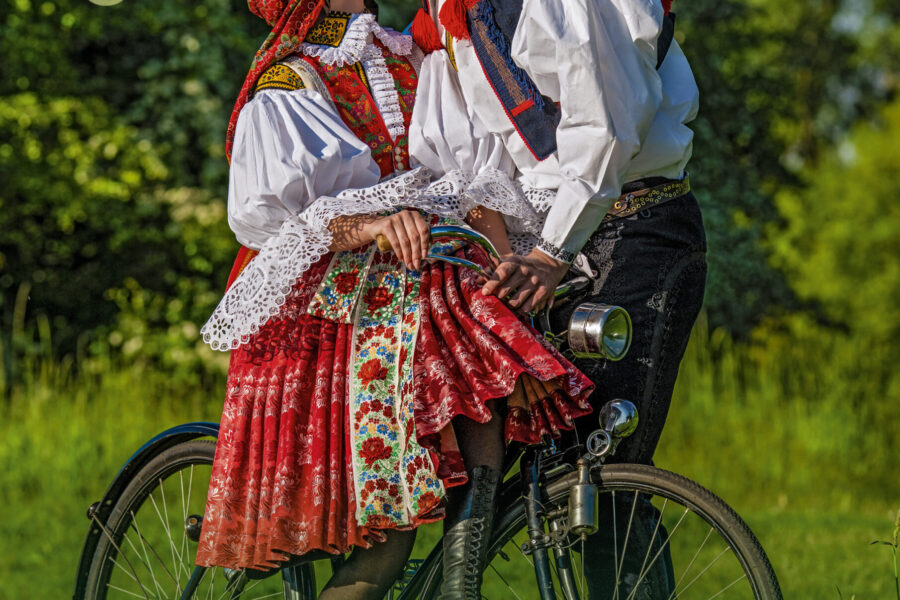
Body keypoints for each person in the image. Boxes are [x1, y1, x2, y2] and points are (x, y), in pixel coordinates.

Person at [193, 1, 595, 598]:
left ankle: (462, 581)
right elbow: (282, 221)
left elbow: (472, 180)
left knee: (486, 346)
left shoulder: (419, 56)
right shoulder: (291, 79)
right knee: (387, 546)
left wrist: (508, 285)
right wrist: (373, 224)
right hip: (333, 315)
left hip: (419, 289)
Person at [409, 0, 707, 596]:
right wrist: (509, 252)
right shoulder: (446, 19)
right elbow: (464, 160)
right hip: (545, 247)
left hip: (631, 225)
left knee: (606, 477)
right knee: (570, 478)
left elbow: (612, 123)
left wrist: (550, 251)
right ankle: (452, 580)